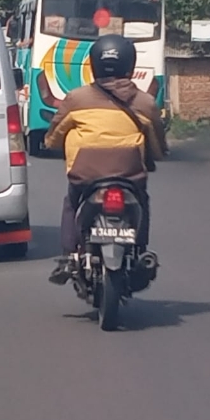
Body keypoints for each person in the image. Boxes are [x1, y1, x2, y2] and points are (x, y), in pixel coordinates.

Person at [43, 34, 168, 285]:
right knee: (142, 203)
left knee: (71, 202)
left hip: (85, 176)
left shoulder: (76, 99)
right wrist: (154, 156)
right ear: (130, 66)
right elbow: (156, 144)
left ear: (93, 64)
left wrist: (53, 145)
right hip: (130, 176)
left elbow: (54, 137)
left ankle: (69, 257)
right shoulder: (145, 102)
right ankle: (141, 251)